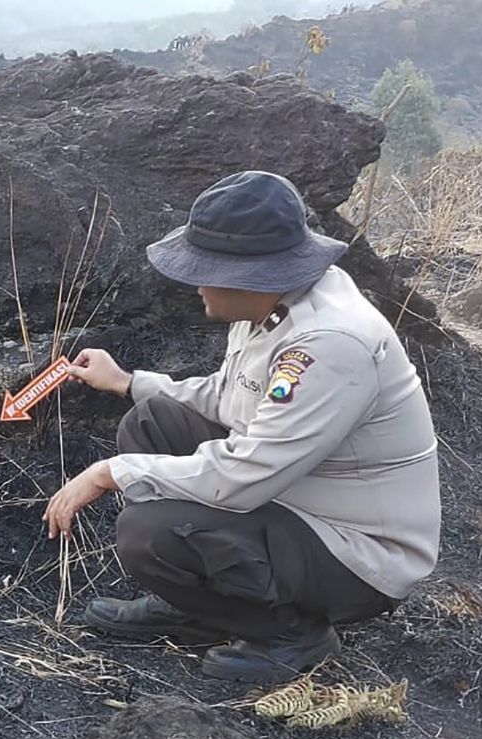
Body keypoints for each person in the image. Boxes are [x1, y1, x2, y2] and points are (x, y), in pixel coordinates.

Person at [43, 170, 441, 683]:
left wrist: (108, 473)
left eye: (205, 269)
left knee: (148, 534)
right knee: (154, 422)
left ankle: (288, 633)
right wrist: (129, 382)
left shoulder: (330, 343)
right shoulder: (276, 304)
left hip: (357, 550)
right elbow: (235, 400)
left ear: (254, 274)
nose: (195, 283)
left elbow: (245, 473)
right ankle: (201, 606)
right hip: (302, 491)